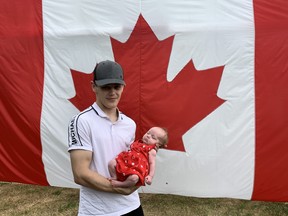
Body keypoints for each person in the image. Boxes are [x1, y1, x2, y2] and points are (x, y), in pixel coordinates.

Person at [68, 60, 144, 216]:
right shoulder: (81, 121)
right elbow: (80, 173)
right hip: (97, 211)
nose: (112, 92)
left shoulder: (129, 124)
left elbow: (131, 161)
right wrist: (119, 188)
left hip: (132, 206)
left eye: (117, 87)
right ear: (93, 86)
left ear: (123, 86)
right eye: (106, 87)